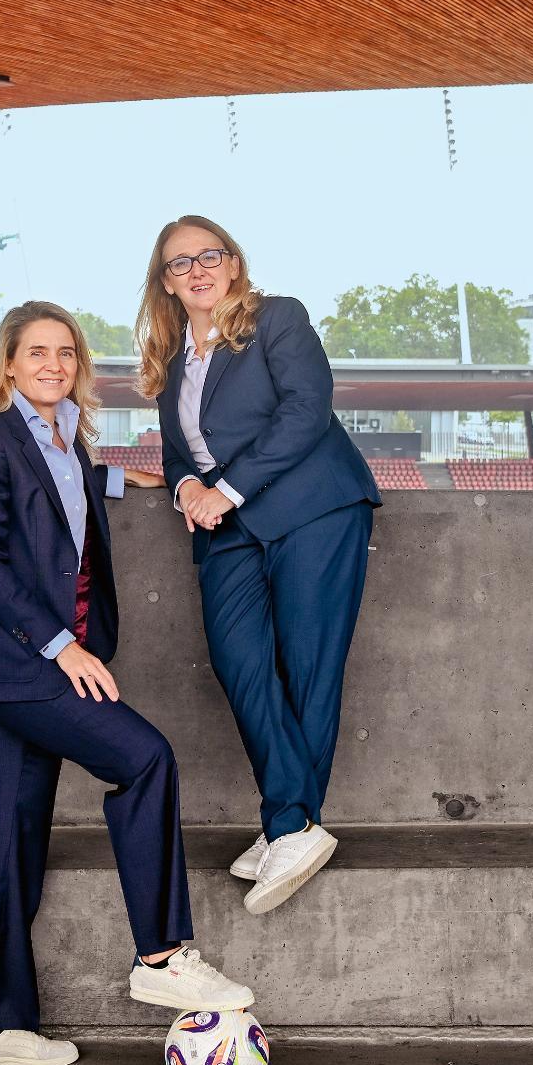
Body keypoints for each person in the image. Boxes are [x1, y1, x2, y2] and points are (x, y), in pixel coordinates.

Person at [0, 300, 256, 1065]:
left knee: (9, 836)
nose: (53, 364)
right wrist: (63, 649)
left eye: (66, 354)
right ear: (8, 364)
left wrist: (132, 478)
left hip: (27, 666)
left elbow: (67, 486)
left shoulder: (63, 441)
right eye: (36, 352)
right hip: (24, 665)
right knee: (145, 757)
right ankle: (159, 953)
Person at [137, 216, 381, 915]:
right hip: (225, 523)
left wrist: (226, 488)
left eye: (209, 255)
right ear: (165, 282)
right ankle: (292, 819)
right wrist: (185, 485)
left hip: (314, 507)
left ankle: (287, 823)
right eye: (180, 263)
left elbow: (308, 410)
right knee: (238, 661)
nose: (197, 269)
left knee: (307, 666)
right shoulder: (171, 356)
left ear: (234, 263)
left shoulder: (278, 319)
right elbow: (183, 450)